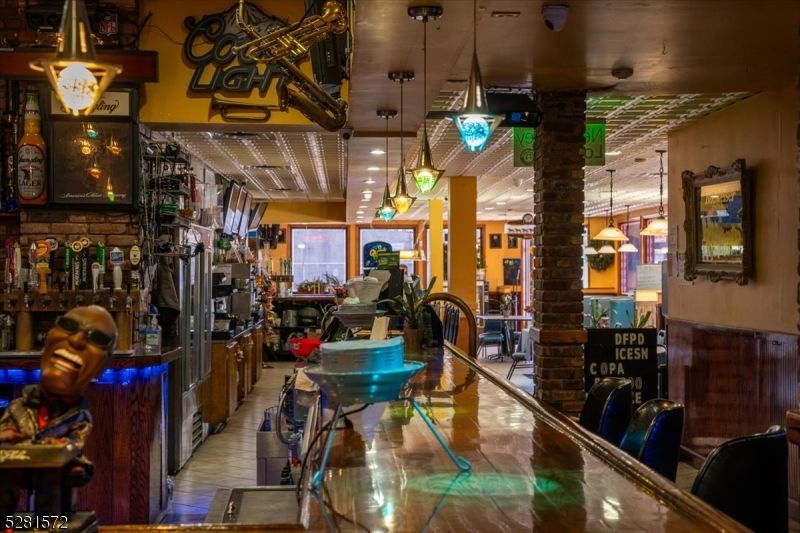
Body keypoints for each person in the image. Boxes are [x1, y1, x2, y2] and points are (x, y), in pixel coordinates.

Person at [0, 305, 118, 515]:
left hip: (53, 467)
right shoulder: (18, 407)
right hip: (16, 462)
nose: (76, 340)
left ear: (104, 367)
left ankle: (48, 523)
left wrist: (63, 447)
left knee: (52, 487)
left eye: (97, 338)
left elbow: (75, 441)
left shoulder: (78, 416)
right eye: (69, 325)